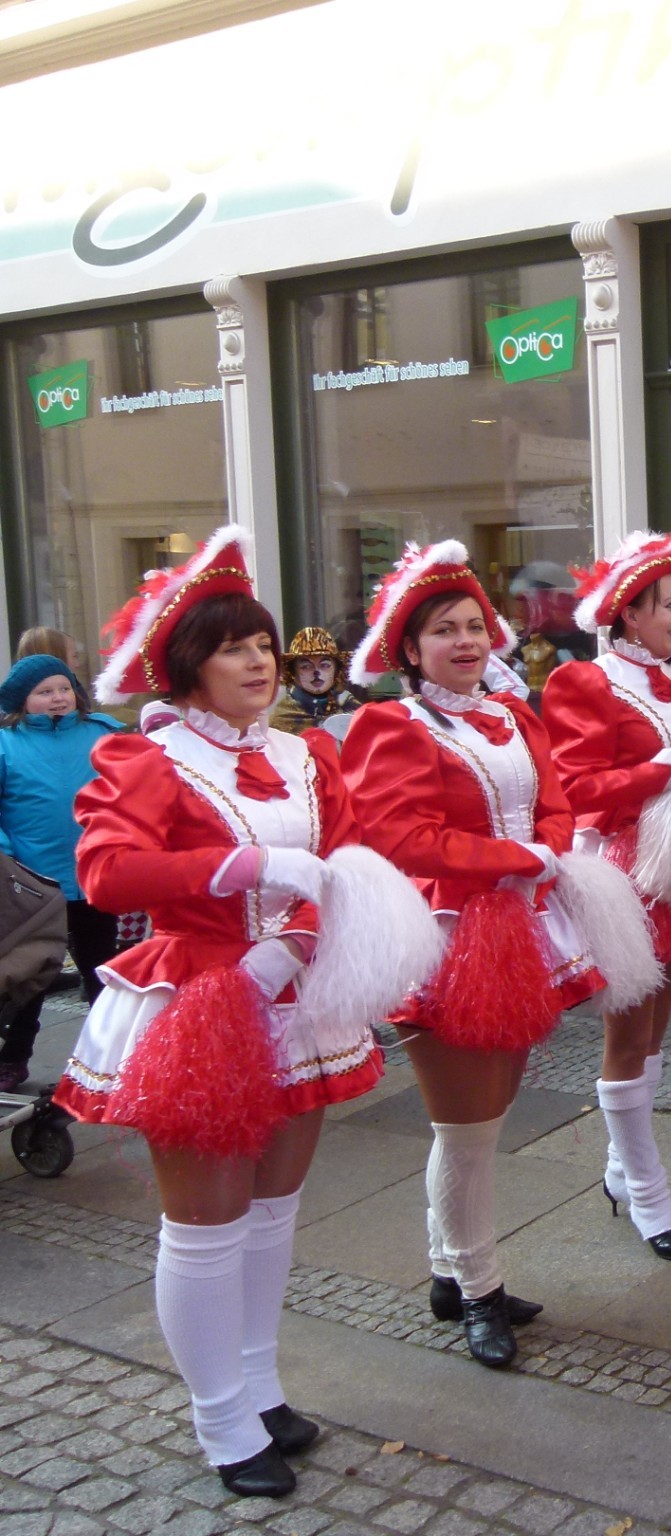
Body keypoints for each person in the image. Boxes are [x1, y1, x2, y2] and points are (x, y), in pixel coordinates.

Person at [54, 526, 436, 1498]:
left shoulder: (306, 754)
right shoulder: (147, 756)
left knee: (272, 1213)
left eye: (263, 643)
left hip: (294, 997)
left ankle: (259, 1386)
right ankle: (219, 1419)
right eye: (233, 648)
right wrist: (250, 865)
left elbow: (343, 861)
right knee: (206, 1224)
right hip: (195, 1001)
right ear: (189, 666)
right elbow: (106, 873)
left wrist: (296, 942)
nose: (259, 661)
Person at [342, 541, 651, 1363]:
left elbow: (556, 800)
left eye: (475, 626)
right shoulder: (390, 725)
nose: (466, 642)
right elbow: (399, 834)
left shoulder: (515, 715)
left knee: (488, 1112)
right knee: (468, 1126)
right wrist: (516, 858)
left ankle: (450, 1270)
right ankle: (479, 1288)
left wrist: (546, 849)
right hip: (443, 937)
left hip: (523, 926)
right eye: (444, 630)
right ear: (410, 650)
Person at [544, 532, 671, 1257]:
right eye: (669, 605)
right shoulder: (587, 683)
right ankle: (650, 1198)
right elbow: (575, 788)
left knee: (656, 1033)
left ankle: (623, 1176)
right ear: (628, 614)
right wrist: (660, 773)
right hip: (624, 874)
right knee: (629, 1038)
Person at [0, 654, 125, 1093]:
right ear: (22, 700)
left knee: (102, 971)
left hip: (93, 875)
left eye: (64, 688)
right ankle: (13, 1057)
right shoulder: (6, 743)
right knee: (30, 977)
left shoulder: (102, 735)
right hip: (32, 885)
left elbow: (126, 793)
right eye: (44, 692)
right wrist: (8, 858)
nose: (57, 698)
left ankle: (112, 1060)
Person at [269, 628, 361, 737]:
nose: (316, 672)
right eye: (306, 666)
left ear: (336, 670)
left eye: (325, 665)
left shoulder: (351, 706)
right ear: (294, 672)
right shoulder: (281, 718)